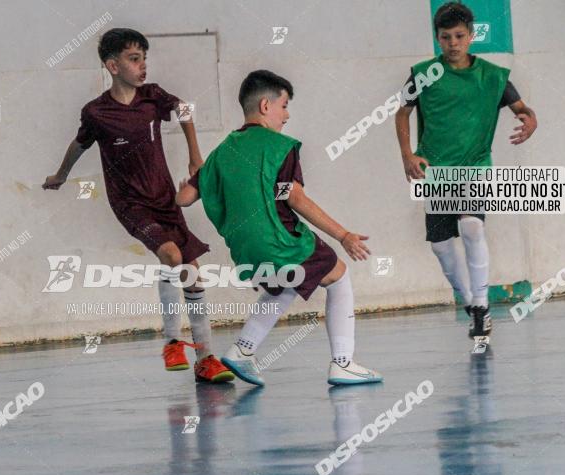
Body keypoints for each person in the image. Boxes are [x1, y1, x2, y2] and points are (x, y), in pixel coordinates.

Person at [42, 28, 233, 383]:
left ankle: (206, 359)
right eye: (134, 59)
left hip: (163, 198)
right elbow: (78, 145)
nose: (142, 65)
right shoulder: (97, 112)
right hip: (130, 202)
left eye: (144, 58)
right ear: (113, 66)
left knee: (191, 271)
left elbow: (185, 110)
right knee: (173, 256)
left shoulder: (153, 97)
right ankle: (172, 342)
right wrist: (60, 175)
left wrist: (195, 156)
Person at [176, 70, 382, 386]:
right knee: (338, 277)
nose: (287, 114)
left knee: (286, 283)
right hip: (279, 239)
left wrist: (185, 185)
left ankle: (243, 350)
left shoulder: (220, 152)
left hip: (245, 249)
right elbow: (295, 197)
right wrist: (342, 235)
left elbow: (186, 197)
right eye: (284, 105)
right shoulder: (279, 147)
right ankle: (343, 362)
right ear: (265, 105)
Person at [394, 2, 537, 338]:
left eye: (459, 36)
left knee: (472, 227)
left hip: (474, 166)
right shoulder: (423, 73)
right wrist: (407, 155)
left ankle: (483, 305)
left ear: (471, 36)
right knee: (441, 246)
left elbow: (522, 109)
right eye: (446, 37)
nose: (453, 43)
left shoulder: (492, 76)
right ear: (437, 39)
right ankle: (473, 303)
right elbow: (402, 113)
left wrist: (531, 120)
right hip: (436, 168)